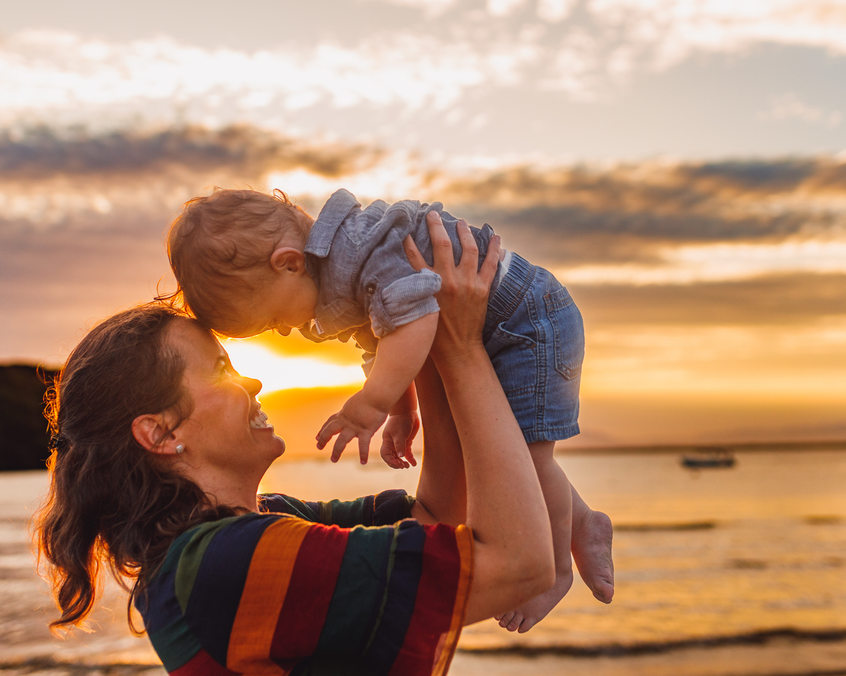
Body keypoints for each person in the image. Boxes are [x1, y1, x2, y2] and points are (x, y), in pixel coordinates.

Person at [35, 213, 557, 675]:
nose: (253, 384)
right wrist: (462, 347)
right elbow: (518, 566)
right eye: (220, 371)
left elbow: (438, 518)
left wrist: (429, 324)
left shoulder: (253, 529)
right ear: (161, 433)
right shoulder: (224, 564)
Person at [165, 188, 614, 632]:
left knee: (530, 459)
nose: (285, 332)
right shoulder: (339, 284)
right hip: (500, 324)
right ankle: (582, 523)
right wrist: (402, 410)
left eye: (274, 321)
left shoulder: (360, 256)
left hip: (524, 319)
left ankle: (556, 568)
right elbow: (383, 338)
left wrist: (372, 405)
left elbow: (415, 319)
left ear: (289, 263)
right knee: (516, 447)